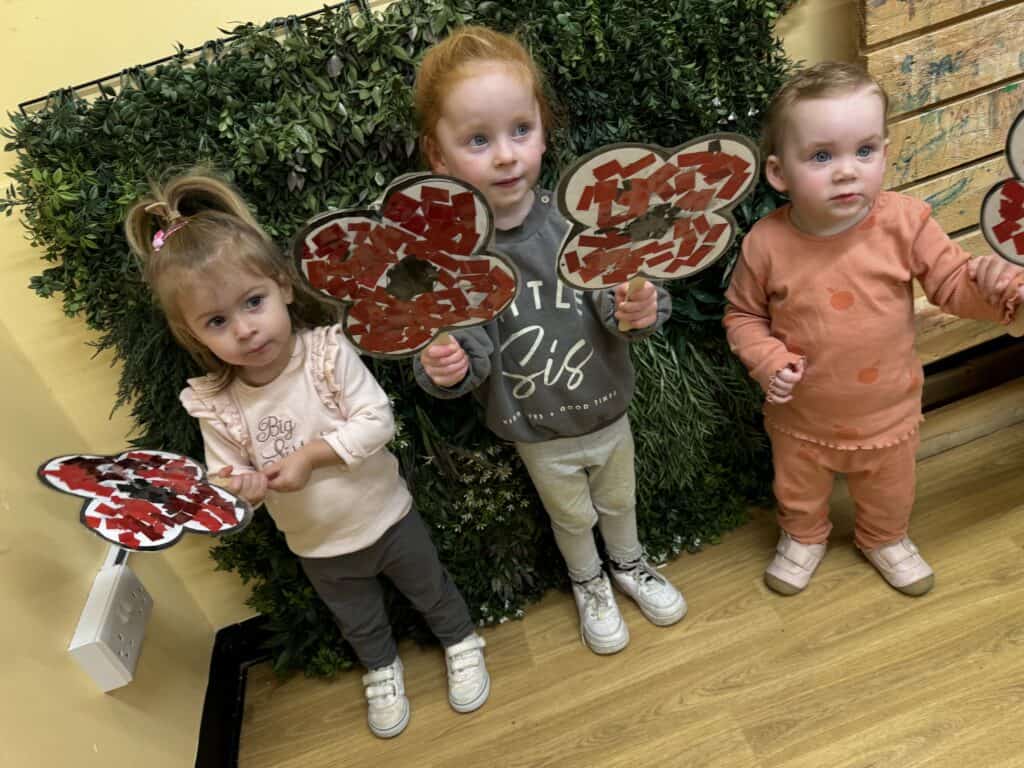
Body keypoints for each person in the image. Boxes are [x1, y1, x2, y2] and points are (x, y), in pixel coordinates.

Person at [124, 171, 489, 739]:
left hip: (388, 516)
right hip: (316, 546)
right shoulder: (217, 403)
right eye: (217, 321)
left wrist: (312, 456)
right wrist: (242, 488)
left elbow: (377, 421)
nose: (245, 330)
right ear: (193, 334)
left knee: (431, 590)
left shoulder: (326, 353)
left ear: (284, 288)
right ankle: (381, 669)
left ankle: (461, 641)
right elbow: (225, 478)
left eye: (254, 302)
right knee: (358, 621)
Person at [412, 26, 687, 655]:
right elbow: (465, 355)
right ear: (438, 155)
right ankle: (588, 581)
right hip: (535, 429)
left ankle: (630, 564)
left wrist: (638, 306)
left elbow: (622, 299)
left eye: (520, 130)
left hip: (607, 411)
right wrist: (447, 364)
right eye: (478, 140)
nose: (506, 156)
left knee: (619, 502)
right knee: (571, 516)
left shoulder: (576, 222)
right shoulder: (453, 261)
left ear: (543, 129)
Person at [724, 61, 1024, 598]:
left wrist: (998, 288)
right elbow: (743, 316)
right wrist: (767, 360)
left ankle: (884, 537)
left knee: (890, 489)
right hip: (800, 416)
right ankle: (803, 535)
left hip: (888, 411)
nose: (847, 171)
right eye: (822, 156)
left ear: (885, 154)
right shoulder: (765, 244)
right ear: (779, 172)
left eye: (864, 151)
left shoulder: (906, 222)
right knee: (798, 490)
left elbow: (953, 284)